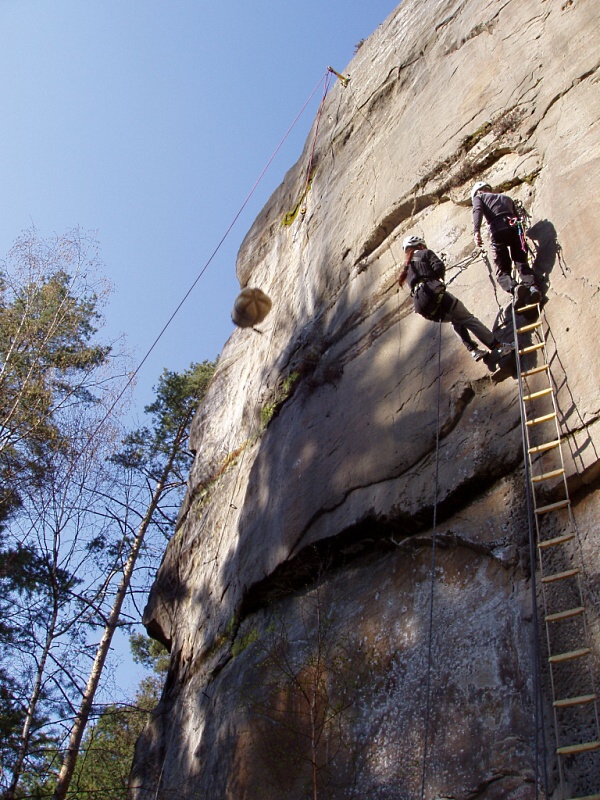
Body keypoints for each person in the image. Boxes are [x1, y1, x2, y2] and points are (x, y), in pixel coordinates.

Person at [399, 235, 513, 362]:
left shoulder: (407, 269)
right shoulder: (425, 253)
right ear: (420, 246)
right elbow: (438, 267)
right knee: (467, 318)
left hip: (422, 306)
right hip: (435, 293)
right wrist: (439, 281)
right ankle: (499, 346)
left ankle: (474, 351)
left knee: (456, 319)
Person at [471, 181, 541, 308]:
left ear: (479, 191)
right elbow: (518, 216)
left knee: (502, 272)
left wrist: (476, 232)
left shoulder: (479, 197)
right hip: (515, 229)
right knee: (521, 263)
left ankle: (515, 288)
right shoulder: (506, 198)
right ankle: (533, 288)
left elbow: (477, 210)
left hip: (498, 231)